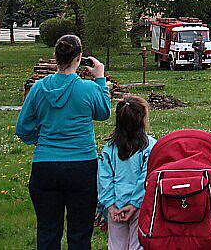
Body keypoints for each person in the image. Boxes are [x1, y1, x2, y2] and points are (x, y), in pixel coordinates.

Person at [16, 34, 111, 250]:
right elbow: (104, 112)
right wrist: (100, 78)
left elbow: (22, 128)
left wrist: (39, 141)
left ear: (55, 56)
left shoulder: (39, 88)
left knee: (48, 231)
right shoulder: (88, 89)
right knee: (80, 233)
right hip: (81, 167)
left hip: (45, 166)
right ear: (79, 58)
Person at [97, 95, 156, 250]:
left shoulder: (109, 149)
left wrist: (109, 205)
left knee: (116, 246)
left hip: (115, 206)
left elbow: (103, 178)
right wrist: (134, 203)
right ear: (143, 119)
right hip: (140, 206)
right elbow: (147, 177)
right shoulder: (150, 147)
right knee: (138, 245)